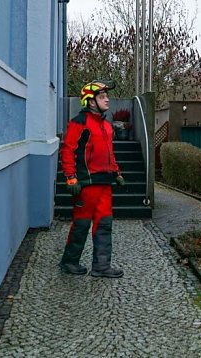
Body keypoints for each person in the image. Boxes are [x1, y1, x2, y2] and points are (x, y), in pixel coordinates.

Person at [59, 80, 125, 278]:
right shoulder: (79, 122)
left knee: (104, 224)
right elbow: (68, 150)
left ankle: (101, 266)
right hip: (86, 184)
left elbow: (109, 153)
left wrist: (117, 172)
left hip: (105, 183)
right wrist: (71, 178)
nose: (107, 100)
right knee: (81, 224)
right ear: (91, 101)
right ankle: (69, 262)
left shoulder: (106, 125)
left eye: (107, 96)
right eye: (102, 97)